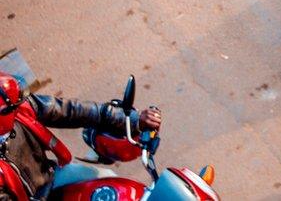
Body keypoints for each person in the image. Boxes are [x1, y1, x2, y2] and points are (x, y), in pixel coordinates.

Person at [0, 73, 162, 200]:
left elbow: (70, 110)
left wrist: (133, 120)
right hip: (33, 197)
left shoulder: (21, 107)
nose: (20, 102)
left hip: (50, 175)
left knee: (111, 180)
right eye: (12, 105)